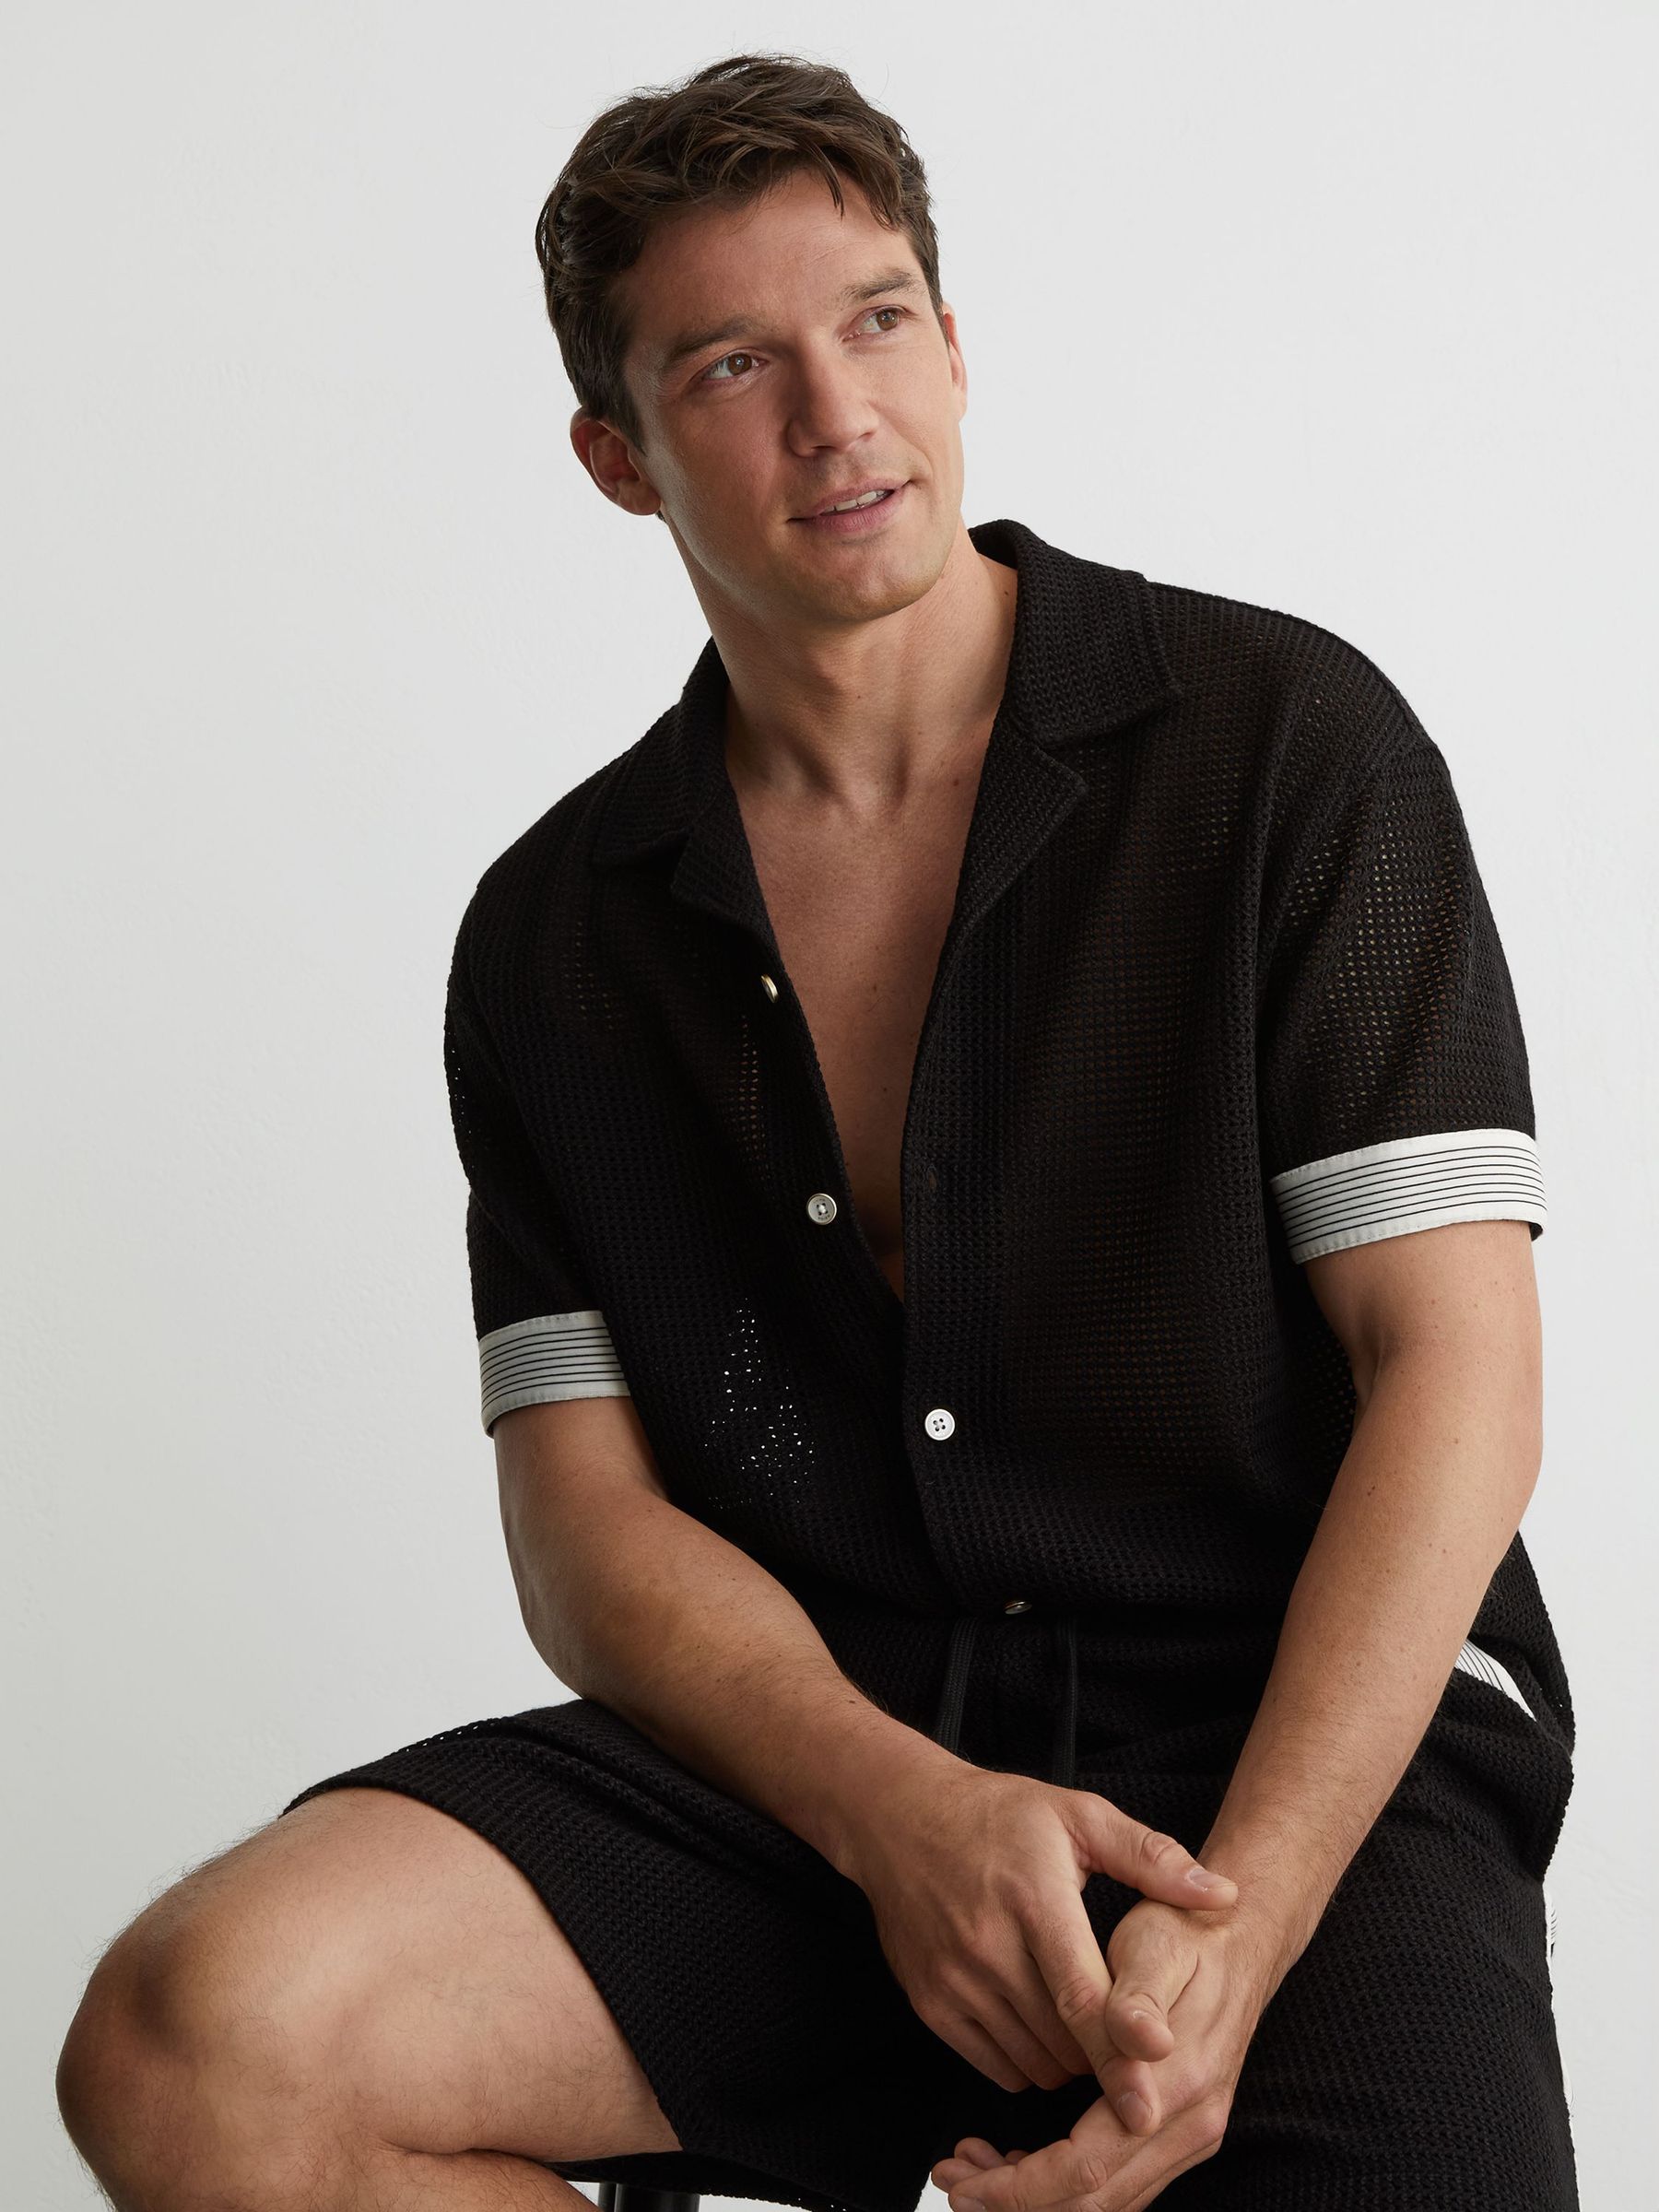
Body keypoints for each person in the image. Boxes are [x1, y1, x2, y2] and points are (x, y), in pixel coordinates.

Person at [55, 51, 1577, 2212]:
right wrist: (894, 1813)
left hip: (1292, 1741)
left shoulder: (1284, 756)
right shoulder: (557, 937)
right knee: (202, 2048)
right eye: (733, 364)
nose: (838, 416)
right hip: (822, 1760)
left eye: (874, 323)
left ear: (955, 344)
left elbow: (1458, 1374)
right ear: (618, 454)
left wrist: (1235, 1942)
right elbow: (584, 1526)